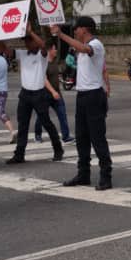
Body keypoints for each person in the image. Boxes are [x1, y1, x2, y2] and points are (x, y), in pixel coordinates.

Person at [51, 17, 113, 190]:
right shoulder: (79, 50)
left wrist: (61, 35)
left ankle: (106, 175)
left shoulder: (96, 45)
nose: (75, 32)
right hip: (83, 95)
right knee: (81, 137)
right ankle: (83, 173)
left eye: (76, 29)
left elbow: (86, 49)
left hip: (94, 96)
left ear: (84, 29)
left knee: (97, 137)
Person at [8, 25, 63, 165]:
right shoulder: (22, 54)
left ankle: (58, 149)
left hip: (39, 94)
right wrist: (0, 37)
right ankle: (19, 154)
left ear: (34, 40)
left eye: (29, 40)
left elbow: (44, 46)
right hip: (25, 94)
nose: (26, 43)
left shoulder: (41, 54)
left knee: (46, 123)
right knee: (23, 125)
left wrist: (31, 32)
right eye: (25, 41)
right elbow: (6, 51)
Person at [35, 40, 73, 144]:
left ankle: (66, 136)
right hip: (46, 94)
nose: (56, 50)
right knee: (42, 116)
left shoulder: (55, 62)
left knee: (62, 115)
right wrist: (52, 91)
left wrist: (61, 82)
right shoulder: (44, 63)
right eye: (54, 48)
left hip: (57, 93)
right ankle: (37, 135)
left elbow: (56, 77)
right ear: (49, 50)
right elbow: (44, 79)